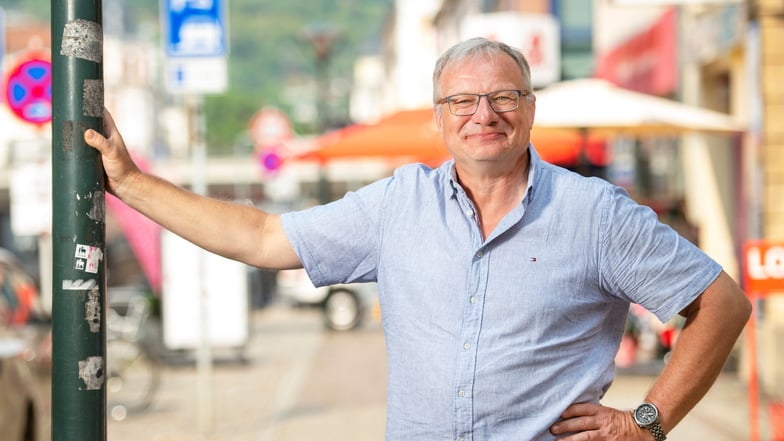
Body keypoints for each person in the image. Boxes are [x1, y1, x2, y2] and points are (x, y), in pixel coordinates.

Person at [85, 37, 751, 440]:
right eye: (462, 101)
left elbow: (720, 302)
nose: (482, 114)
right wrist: (134, 184)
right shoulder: (398, 205)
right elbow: (262, 236)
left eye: (503, 96)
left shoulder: (595, 213)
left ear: (530, 110)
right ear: (439, 118)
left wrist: (648, 420)